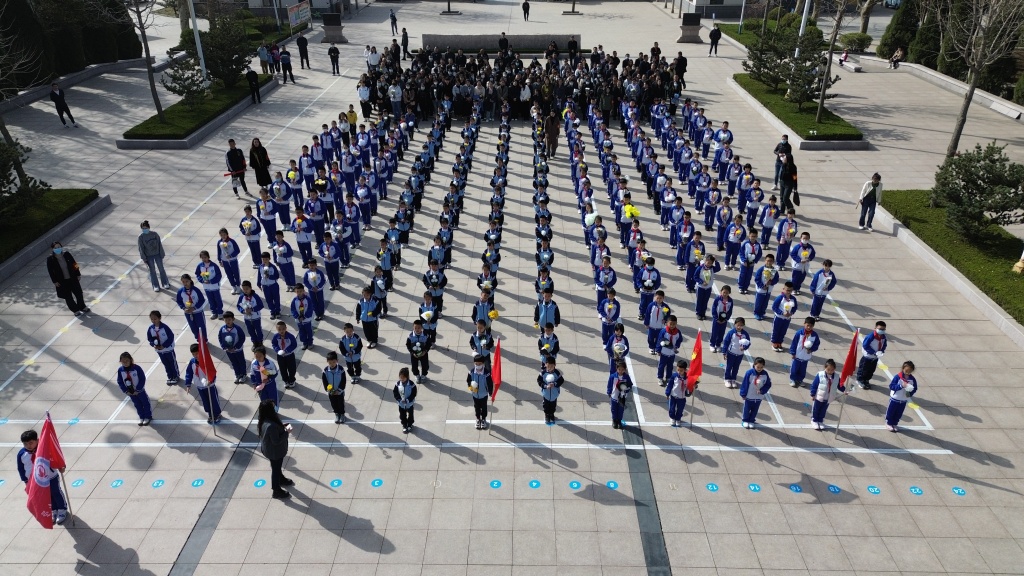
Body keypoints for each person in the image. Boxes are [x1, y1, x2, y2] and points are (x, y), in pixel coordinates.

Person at [17, 429, 68, 525]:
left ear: (37, 440)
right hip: (36, 480)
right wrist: (25, 480)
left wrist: (61, 466)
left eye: (31, 443)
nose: (29, 446)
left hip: (51, 476)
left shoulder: (44, 448)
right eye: (26, 444)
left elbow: (55, 456)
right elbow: (21, 468)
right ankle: (54, 510)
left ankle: (62, 509)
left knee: (56, 492)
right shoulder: (21, 454)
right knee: (47, 495)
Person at [257, 399, 294, 498]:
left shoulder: (264, 420)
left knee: (276, 467)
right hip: (275, 452)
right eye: (273, 407)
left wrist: (281, 426)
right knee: (275, 469)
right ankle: (276, 490)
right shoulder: (271, 425)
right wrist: (287, 432)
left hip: (269, 450)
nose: (275, 409)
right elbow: (276, 441)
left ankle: (281, 479)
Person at [184, 343, 223, 424]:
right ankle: (210, 414)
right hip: (200, 386)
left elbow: (212, 372)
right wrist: (188, 384)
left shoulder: (206, 361)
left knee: (213, 401)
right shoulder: (192, 362)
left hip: (209, 386)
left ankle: (217, 414)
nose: (195, 355)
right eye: (193, 354)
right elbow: (189, 373)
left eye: (197, 353)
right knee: (205, 402)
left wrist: (211, 380)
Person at [46, 241, 88, 316]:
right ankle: (75, 310)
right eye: (55, 248)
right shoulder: (50, 259)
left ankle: (82, 306)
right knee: (68, 297)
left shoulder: (67, 254)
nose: (57, 249)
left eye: (59, 247)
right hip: (62, 281)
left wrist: (78, 274)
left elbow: (74, 264)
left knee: (79, 293)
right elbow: (50, 272)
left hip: (72, 278)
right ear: (52, 249)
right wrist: (54, 281)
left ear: (61, 247)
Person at [117, 352, 152, 426]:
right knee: (137, 404)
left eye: (127, 361)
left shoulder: (136, 368)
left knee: (145, 403)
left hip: (139, 391)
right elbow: (120, 381)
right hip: (130, 392)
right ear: (120, 362)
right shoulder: (120, 370)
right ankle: (141, 417)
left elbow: (142, 379)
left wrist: (138, 389)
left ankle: (148, 416)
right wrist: (126, 391)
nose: (125, 363)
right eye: (123, 362)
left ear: (131, 360)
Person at [809, 359, 843, 430]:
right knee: (816, 409)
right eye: (828, 369)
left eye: (832, 369)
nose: (830, 371)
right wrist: (813, 394)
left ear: (834, 369)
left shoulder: (836, 377)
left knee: (823, 410)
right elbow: (814, 385)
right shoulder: (820, 375)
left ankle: (820, 420)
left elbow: (840, 386)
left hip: (828, 397)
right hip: (819, 396)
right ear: (825, 367)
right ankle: (814, 420)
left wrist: (845, 390)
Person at [147, 310, 180, 385]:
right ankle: (170, 376)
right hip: (159, 351)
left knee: (172, 362)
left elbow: (171, 337)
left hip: (168, 349)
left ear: (159, 318)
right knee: (165, 363)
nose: (153, 320)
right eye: (152, 319)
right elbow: (150, 338)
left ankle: (176, 376)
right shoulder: (151, 328)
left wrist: (164, 346)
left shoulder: (165, 327)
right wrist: (153, 344)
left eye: (155, 319)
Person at [739, 357, 771, 429]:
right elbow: (745, 384)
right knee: (747, 409)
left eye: (761, 367)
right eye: (758, 367)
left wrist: (762, 391)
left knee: (755, 410)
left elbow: (768, 384)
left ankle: (751, 420)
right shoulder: (749, 373)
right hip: (749, 396)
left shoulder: (765, 374)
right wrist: (743, 394)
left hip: (759, 397)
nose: (759, 369)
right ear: (754, 365)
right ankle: (745, 420)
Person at [886, 361, 918, 432]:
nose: (908, 372)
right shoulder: (898, 377)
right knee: (891, 411)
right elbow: (892, 386)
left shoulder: (912, 379)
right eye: (906, 370)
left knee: (899, 413)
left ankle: (895, 423)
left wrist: (910, 393)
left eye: (910, 371)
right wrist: (901, 386)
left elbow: (915, 388)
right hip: (895, 398)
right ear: (903, 368)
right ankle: (889, 423)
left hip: (903, 400)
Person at [137, 221, 169, 292]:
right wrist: (144, 258)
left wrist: (162, 253)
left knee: (161, 268)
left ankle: (165, 283)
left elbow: (159, 244)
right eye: (143, 228)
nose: (144, 229)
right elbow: (141, 248)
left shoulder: (154, 234)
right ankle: (155, 285)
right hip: (149, 256)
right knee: (152, 271)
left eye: (146, 228)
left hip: (157, 254)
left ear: (149, 227)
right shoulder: (141, 237)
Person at [856, 321, 887, 390]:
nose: (881, 331)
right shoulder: (871, 336)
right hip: (867, 357)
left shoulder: (883, 337)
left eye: (883, 329)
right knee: (863, 370)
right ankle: (860, 380)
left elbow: (884, 344)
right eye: (880, 329)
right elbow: (865, 346)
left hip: (875, 358)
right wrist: (873, 352)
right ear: (875, 328)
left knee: (871, 370)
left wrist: (881, 351)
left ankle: (866, 380)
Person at [176, 274, 208, 341]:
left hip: (198, 312)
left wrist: (194, 308)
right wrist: (184, 308)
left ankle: (204, 340)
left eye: (187, 281)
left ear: (190, 281)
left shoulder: (196, 290)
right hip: (188, 313)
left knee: (201, 327)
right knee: (193, 327)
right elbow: (179, 301)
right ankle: (198, 339)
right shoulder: (180, 291)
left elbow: (202, 300)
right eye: (183, 282)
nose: (185, 283)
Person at [467, 355, 494, 429]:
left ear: (483, 363)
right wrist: (471, 386)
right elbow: (468, 381)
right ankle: (478, 419)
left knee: (484, 407)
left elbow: (490, 383)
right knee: (477, 407)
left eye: (479, 364)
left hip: (484, 394)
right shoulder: (471, 372)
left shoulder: (486, 373)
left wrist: (490, 392)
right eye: (476, 364)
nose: (477, 365)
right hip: (475, 394)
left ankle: (483, 419)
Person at [665, 359, 693, 427]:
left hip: (682, 397)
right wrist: (667, 393)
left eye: (681, 370)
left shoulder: (688, 377)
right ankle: (672, 418)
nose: (679, 372)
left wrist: (694, 385)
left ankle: (678, 419)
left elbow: (690, 385)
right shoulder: (674, 376)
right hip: (674, 395)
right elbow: (670, 385)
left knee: (680, 409)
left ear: (685, 370)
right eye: (678, 370)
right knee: (672, 408)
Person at [323, 351, 348, 424]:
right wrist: (329, 390)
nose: (332, 364)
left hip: (339, 391)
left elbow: (343, 380)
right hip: (331, 392)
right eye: (330, 363)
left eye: (334, 362)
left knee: (340, 403)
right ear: (327, 362)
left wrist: (339, 390)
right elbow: (325, 381)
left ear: (337, 361)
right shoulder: (325, 371)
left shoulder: (341, 369)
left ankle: (342, 414)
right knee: (333, 403)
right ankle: (337, 414)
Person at [538, 355, 564, 424]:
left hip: (554, 394)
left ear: (555, 365)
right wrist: (545, 386)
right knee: (546, 406)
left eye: (551, 366)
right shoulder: (543, 373)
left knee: (553, 405)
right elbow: (539, 381)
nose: (550, 368)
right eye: (548, 366)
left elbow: (561, 380)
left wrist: (555, 384)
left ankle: (552, 414)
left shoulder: (557, 373)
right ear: (545, 364)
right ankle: (547, 415)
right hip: (546, 394)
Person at [607, 360, 633, 429]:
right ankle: (614, 420)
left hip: (622, 396)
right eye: (619, 369)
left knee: (621, 409)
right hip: (614, 396)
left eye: (622, 369)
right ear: (616, 369)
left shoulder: (626, 377)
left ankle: (619, 421)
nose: (621, 371)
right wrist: (609, 392)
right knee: (614, 409)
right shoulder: (612, 376)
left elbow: (630, 385)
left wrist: (626, 390)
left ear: (625, 369)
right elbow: (609, 385)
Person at [394, 367, 417, 433]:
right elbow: (395, 392)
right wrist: (398, 399)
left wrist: (408, 400)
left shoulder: (412, 385)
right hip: (401, 404)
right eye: (400, 378)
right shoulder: (397, 384)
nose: (401, 379)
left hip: (409, 404)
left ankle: (410, 424)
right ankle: (404, 425)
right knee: (402, 415)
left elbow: (413, 394)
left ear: (407, 377)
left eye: (403, 378)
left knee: (411, 415)